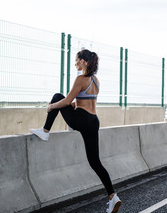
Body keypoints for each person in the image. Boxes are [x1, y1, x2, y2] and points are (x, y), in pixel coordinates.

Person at [30, 49, 122, 213]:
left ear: (84, 62)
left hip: (81, 119)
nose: (75, 63)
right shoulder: (96, 81)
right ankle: (112, 196)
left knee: (57, 96)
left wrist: (51, 106)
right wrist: (69, 106)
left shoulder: (81, 79)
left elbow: (67, 101)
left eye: (77, 60)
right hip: (94, 121)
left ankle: (45, 131)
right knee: (95, 162)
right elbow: (82, 101)